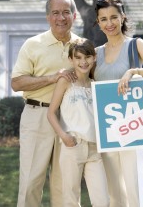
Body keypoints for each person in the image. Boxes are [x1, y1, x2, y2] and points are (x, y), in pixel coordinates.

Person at [11, 0, 79, 207]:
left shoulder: (82, 46)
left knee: (66, 184)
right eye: (56, 13)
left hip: (69, 119)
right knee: (31, 181)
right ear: (48, 17)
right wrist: (53, 78)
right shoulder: (32, 44)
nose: (61, 18)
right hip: (37, 116)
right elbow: (17, 83)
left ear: (74, 16)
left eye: (66, 12)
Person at [94, 0, 143, 207]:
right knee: (114, 193)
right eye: (103, 19)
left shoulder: (135, 45)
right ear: (98, 23)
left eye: (113, 17)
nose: (109, 23)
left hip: (133, 127)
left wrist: (133, 71)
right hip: (107, 130)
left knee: (135, 189)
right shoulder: (96, 53)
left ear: (122, 17)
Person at [47, 38, 110, 207]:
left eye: (87, 57)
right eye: (78, 57)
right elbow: (51, 113)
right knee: (71, 200)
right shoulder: (66, 81)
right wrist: (64, 136)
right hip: (73, 146)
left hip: (94, 148)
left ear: (94, 57)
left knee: (103, 201)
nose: (83, 62)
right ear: (71, 60)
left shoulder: (94, 84)